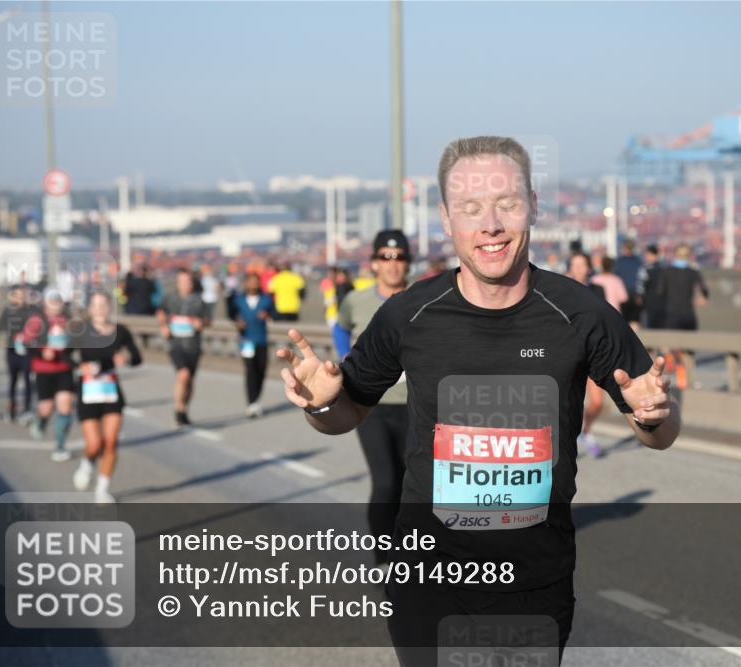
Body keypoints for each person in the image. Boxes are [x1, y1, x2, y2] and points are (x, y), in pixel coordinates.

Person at [277, 136, 678, 666]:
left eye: (506, 204)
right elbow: (346, 413)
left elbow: (659, 435)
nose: (490, 224)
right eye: (470, 208)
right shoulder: (409, 315)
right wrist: (320, 405)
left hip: (536, 581)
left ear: (532, 205)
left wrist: (655, 416)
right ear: (446, 219)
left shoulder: (581, 313)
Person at [333, 230, 412, 567]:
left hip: (417, 408)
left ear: (408, 262)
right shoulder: (357, 301)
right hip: (371, 407)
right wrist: (345, 360)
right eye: (385, 257)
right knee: (386, 482)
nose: (392, 264)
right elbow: (340, 327)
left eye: (399, 257)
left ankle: (410, 555)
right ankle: (385, 559)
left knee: (413, 487)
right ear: (374, 263)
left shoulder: (423, 299)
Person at [71, 291, 142, 503]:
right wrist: (80, 366)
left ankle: (102, 488)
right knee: (95, 444)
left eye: (104, 305)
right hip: (88, 391)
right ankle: (86, 464)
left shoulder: (120, 332)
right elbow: (65, 355)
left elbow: (137, 357)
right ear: (90, 308)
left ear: (110, 307)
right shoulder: (81, 331)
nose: (100, 309)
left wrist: (126, 359)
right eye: (96, 304)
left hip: (111, 390)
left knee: (111, 442)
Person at [21, 289, 76, 461]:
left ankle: (60, 446)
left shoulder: (69, 322)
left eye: (58, 301)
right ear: (45, 303)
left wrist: (66, 350)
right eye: (52, 301)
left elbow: (76, 343)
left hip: (64, 369)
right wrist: (42, 353)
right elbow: (26, 345)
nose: (55, 305)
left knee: (65, 405)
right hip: (43, 370)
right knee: (46, 408)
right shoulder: (37, 321)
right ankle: (41, 421)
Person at [566, 252, 608, 459]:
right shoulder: (560, 290)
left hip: (593, 352)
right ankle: (571, 436)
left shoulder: (598, 290)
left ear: (589, 267)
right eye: (575, 264)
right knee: (569, 401)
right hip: (569, 352)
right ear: (570, 268)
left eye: (583, 264)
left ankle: (584, 431)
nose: (579, 268)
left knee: (598, 402)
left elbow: (606, 319)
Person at [157, 268, 207, 426]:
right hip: (175, 343)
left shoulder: (199, 300)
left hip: (193, 345)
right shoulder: (169, 298)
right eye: (183, 281)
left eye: (188, 281)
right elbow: (161, 311)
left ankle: (184, 408)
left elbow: (208, 320)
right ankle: (178, 408)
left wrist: (201, 323)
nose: (186, 284)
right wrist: (164, 325)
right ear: (178, 283)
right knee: (183, 375)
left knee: (190, 380)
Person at [658, 244, 708, 389]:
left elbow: (660, 292)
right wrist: (702, 298)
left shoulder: (667, 271)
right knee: (688, 352)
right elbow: (704, 289)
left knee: (669, 348)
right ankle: (687, 381)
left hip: (671, 314)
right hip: (688, 315)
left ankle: (667, 381)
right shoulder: (693, 272)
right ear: (689, 255)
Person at [233, 273, 275, 418]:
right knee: (250, 370)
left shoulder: (266, 300)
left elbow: (274, 314)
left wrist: (268, 316)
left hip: (262, 339)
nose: (253, 285)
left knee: (261, 370)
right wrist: (238, 322)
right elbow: (232, 314)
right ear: (245, 284)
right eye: (250, 282)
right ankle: (252, 403)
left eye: (256, 282)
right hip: (246, 341)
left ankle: (256, 399)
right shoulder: (238, 300)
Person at [0, 285, 35, 423]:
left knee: (28, 381)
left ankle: (27, 409)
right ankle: (12, 407)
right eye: (18, 295)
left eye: (23, 295)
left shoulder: (32, 311)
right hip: (12, 351)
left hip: (28, 351)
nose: (21, 297)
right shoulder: (8, 311)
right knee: (13, 380)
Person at [615, 240, 643, 327]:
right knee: (634, 321)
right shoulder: (638, 262)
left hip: (624, 295)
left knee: (623, 321)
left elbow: (616, 278)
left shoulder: (619, 262)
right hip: (634, 294)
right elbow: (641, 280)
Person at [638, 244, 665, 329]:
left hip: (649, 304)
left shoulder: (645, 270)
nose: (646, 257)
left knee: (650, 329)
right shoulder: (665, 269)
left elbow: (641, 287)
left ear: (652, 255)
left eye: (647, 254)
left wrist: (640, 297)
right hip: (663, 304)